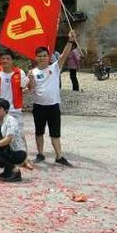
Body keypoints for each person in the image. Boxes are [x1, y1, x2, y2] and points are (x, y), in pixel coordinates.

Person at [29, 32, 77, 167]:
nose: (42, 58)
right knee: (39, 131)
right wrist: (31, 80)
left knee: (55, 133)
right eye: (39, 56)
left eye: (44, 55)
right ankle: (40, 154)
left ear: (48, 57)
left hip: (53, 106)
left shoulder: (55, 68)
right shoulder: (32, 72)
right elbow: (31, 89)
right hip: (39, 106)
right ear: (35, 58)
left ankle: (59, 156)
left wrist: (70, 41)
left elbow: (63, 56)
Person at [0, 49, 31, 168]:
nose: (5, 61)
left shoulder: (19, 72)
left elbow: (26, 87)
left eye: (8, 59)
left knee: (20, 134)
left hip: (15, 108)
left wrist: (30, 79)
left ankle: (25, 159)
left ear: (12, 60)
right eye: (3, 59)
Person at [0, 99, 27, 182]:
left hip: (16, 152)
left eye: (0, 108)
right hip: (4, 149)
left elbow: (8, 139)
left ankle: (15, 170)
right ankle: (8, 169)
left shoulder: (11, 120)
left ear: (6, 110)